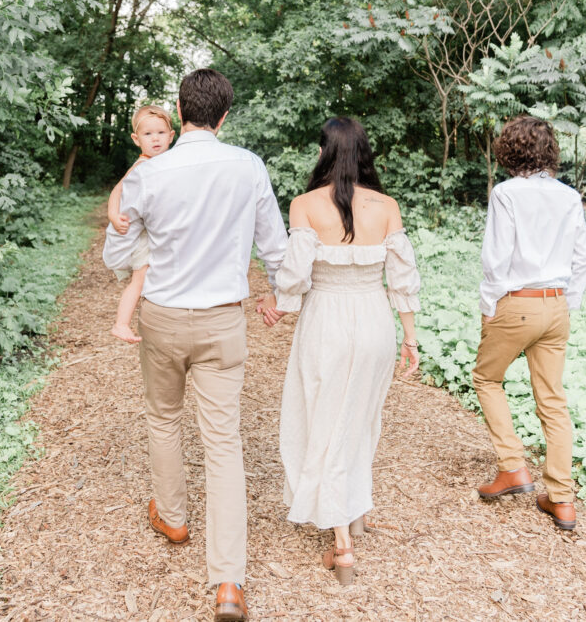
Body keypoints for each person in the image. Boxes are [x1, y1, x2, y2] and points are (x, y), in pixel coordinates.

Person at [102, 69, 287, 622]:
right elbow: (273, 248)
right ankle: (228, 582)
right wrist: (282, 296)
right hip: (223, 320)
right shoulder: (248, 167)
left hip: (161, 316)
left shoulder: (152, 172)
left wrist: (129, 235)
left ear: (180, 111)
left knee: (163, 417)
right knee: (223, 440)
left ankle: (175, 517)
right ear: (224, 115)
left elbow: (118, 255)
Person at [259, 117, 421, 585]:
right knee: (360, 419)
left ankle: (343, 545)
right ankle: (353, 512)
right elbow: (403, 280)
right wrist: (409, 337)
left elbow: (294, 278)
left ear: (324, 152)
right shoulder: (387, 206)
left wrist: (276, 306)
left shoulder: (305, 205)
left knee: (324, 420)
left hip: (325, 321)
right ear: (365, 151)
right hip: (374, 321)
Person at [472, 115, 586, 531]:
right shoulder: (568, 196)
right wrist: (565, 303)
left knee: (487, 379)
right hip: (556, 306)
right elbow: (583, 261)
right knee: (553, 402)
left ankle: (513, 468)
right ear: (550, 152)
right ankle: (561, 499)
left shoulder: (507, 193)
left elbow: (497, 258)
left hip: (515, 303)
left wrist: (490, 303)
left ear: (509, 150)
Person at [107, 105, 176, 343]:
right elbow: (117, 190)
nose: (155, 139)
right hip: (139, 236)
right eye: (148, 134)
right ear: (136, 139)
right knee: (140, 278)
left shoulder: (162, 163)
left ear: (171, 136)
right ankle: (121, 324)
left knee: (149, 277)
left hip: (148, 231)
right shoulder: (142, 165)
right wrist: (113, 216)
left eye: (160, 133)